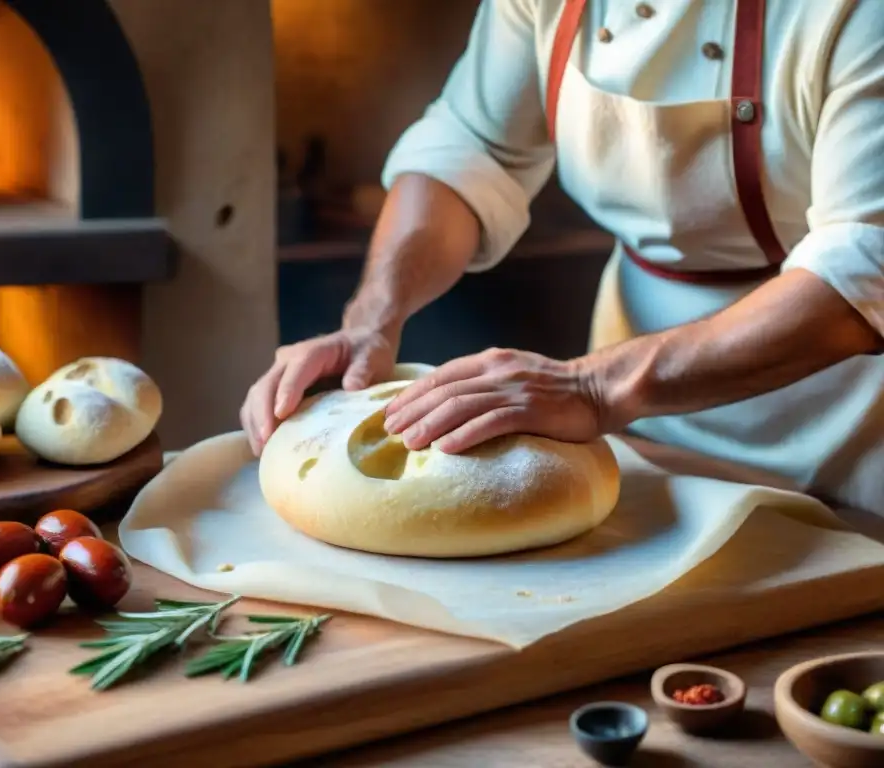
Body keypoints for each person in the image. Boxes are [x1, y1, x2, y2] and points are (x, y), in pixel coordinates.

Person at [241, 0, 884, 513]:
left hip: (842, 420)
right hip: (645, 417)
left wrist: (596, 385)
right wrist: (371, 319)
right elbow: (470, 148)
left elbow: (863, 260)